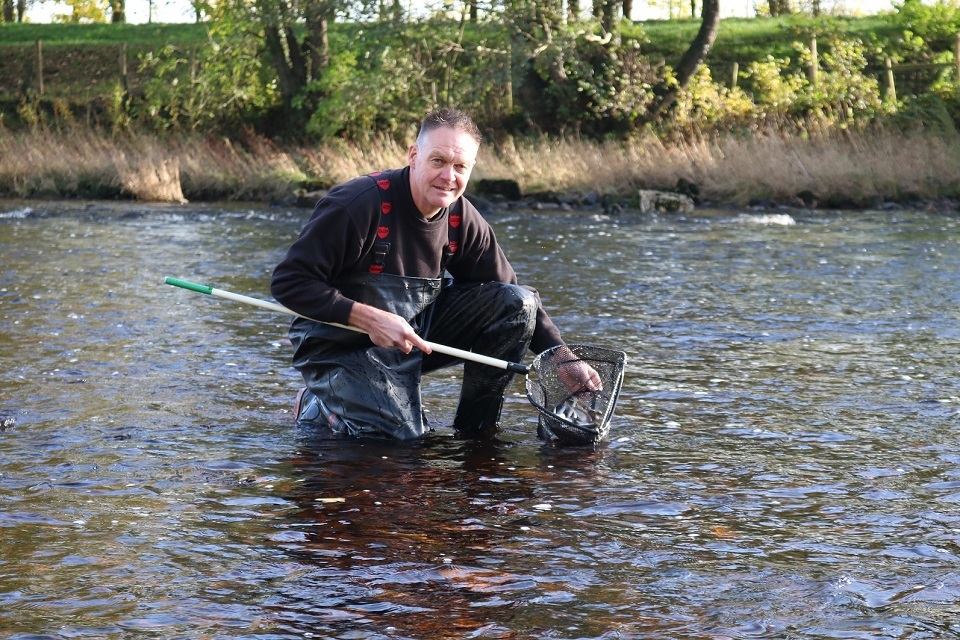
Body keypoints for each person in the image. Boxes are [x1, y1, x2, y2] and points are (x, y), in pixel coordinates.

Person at [271, 107, 600, 440]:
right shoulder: (357, 205)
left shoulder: (461, 218)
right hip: (340, 345)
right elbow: (289, 283)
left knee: (518, 305)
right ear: (414, 156)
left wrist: (562, 358)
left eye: (460, 167)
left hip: (412, 337)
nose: (449, 177)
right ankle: (319, 404)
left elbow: (512, 297)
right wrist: (368, 319)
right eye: (438, 161)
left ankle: (476, 433)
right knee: (403, 442)